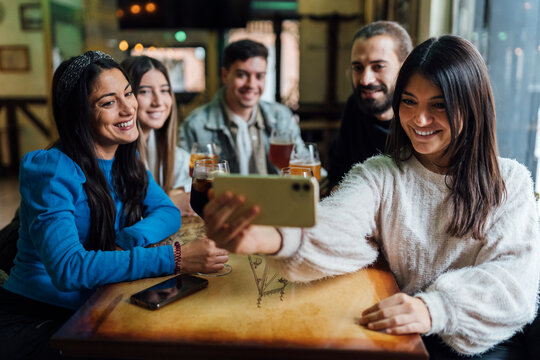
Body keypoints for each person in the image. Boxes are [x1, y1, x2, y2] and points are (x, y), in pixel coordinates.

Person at [203, 36, 540, 359]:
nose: (420, 120)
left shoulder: (511, 182)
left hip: (483, 343)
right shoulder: (381, 174)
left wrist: (433, 307)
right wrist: (271, 237)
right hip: (403, 332)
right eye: (409, 102)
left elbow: (513, 284)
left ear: (472, 106)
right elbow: (335, 224)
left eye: (439, 105)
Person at [0, 51, 228, 360]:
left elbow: (168, 212)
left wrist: (126, 242)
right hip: (39, 318)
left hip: (98, 302)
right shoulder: (51, 169)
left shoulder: (125, 158)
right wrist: (176, 258)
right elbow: (69, 269)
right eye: (108, 103)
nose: (128, 109)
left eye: (128, 93)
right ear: (78, 114)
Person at [179, 39, 303, 175]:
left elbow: (303, 165)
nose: (252, 84)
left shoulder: (281, 116)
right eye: (241, 75)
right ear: (225, 76)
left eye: (259, 76)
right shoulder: (195, 125)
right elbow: (183, 179)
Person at [327, 21, 412, 189]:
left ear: (406, 67)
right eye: (358, 68)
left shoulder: (420, 119)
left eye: (378, 67)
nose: (365, 80)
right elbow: (337, 177)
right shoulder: (355, 106)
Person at [121, 55, 194, 215]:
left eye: (164, 90)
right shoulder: (115, 153)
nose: (158, 101)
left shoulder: (159, 144)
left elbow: (197, 181)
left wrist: (176, 192)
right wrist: (170, 200)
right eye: (145, 91)